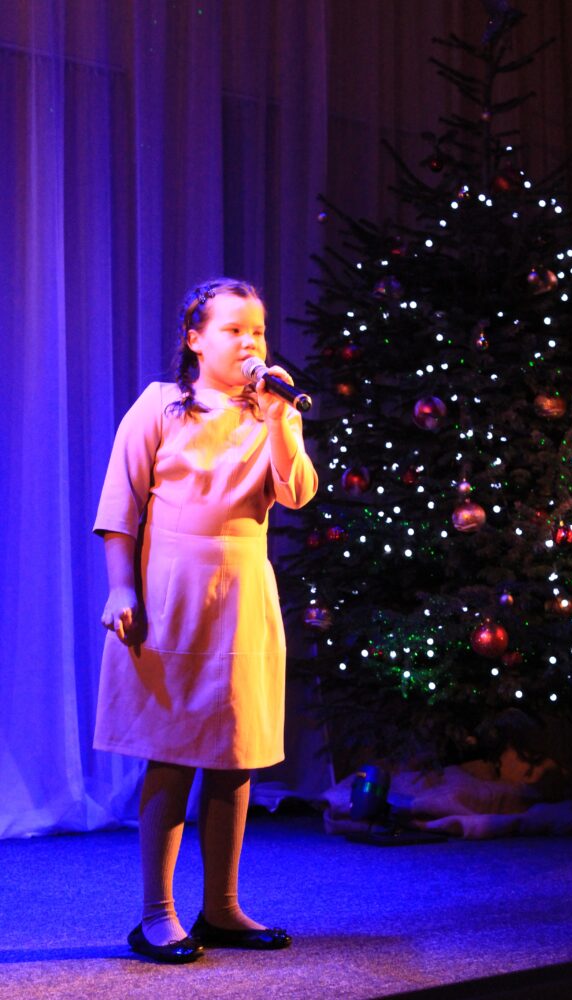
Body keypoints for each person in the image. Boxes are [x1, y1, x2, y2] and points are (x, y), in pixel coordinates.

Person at [93, 277, 318, 964]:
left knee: (235, 750)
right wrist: (121, 590)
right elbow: (120, 507)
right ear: (195, 339)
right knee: (171, 749)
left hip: (243, 591)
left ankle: (221, 907)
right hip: (172, 592)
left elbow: (296, 493)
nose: (249, 342)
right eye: (233, 329)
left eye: (258, 330)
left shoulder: (272, 412)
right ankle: (155, 915)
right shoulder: (160, 406)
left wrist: (280, 420)